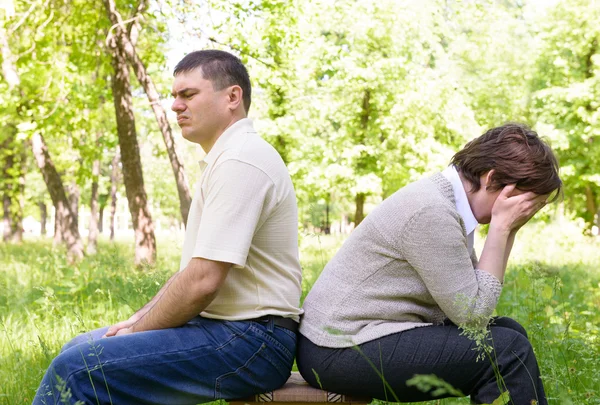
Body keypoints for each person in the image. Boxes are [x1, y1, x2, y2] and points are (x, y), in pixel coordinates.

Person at [33, 50, 303, 405]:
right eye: (174, 95)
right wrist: (135, 321)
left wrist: (133, 332)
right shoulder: (227, 158)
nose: (175, 105)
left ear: (232, 97)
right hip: (228, 330)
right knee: (78, 348)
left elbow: (203, 282)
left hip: (253, 341)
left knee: (77, 368)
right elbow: (192, 273)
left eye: (188, 94)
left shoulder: (242, 160)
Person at [297, 123, 561, 405]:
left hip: (353, 339)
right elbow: (472, 315)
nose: (527, 214)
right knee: (508, 351)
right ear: (491, 178)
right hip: (336, 348)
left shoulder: (448, 204)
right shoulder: (432, 211)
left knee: (510, 333)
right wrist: (501, 228)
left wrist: (508, 228)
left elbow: (470, 295)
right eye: (526, 204)